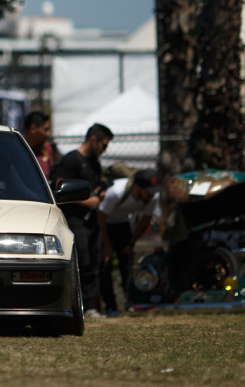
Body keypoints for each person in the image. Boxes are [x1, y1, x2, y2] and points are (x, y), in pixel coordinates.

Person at [49, 123, 114, 319]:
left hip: (91, 221)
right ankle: (75, 305)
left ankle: (89, 306)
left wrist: (98, 196)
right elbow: (59, 187)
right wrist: (86, 201)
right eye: (104, 145)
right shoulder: (71, 160)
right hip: (74, 219)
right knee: (82, 260)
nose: (104, 150)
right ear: (93, 139)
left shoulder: (95, 163)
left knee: (93, 261)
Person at [98, 168, 159, 315]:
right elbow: (100, 217)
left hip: (122, 224)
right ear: (137, 187)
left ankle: (132, 302)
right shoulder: (116, 192)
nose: (151, 196)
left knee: (127, 262)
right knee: (105, 265)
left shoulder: (153, 197)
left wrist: (130, 243)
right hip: (103, 225)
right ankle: (111, 307)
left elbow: (145, 220)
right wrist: (107, 245)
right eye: (148, 192)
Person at [22, 111, 56, 177]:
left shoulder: (46, 148)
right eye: (45, 130)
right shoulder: (19, 149)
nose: (48, 134)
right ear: (33, 128)